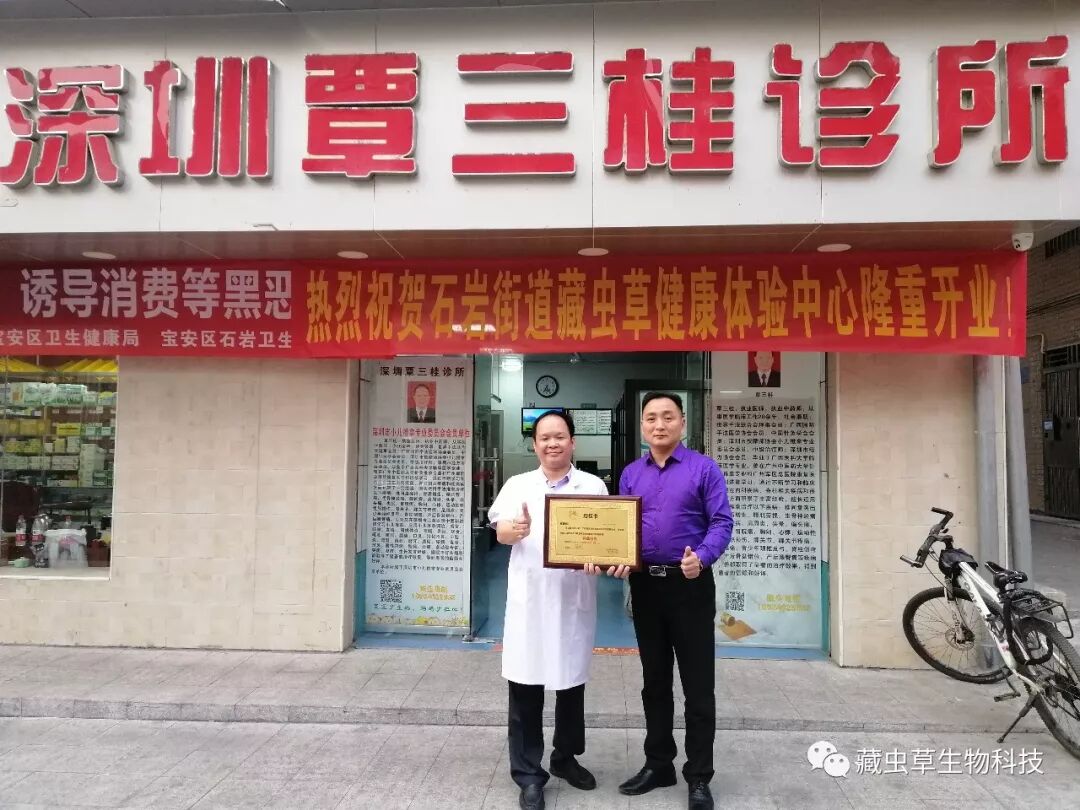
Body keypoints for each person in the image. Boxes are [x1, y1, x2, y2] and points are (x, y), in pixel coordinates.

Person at [488, 409, 621, 810]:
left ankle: (566, 758)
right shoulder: (517, 485)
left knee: (570, 685)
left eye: (559, 436)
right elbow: (500, 529)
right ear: (534, 445)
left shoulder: (593, 486)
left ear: (572, 442)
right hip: (530, 602)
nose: (552, 443)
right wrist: (513, 531)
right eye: (544, 437)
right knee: (525, 687)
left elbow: (606, 537)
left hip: (572, 600)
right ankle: (529, 774)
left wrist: (605, 558)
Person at [616, 392, 734, 810]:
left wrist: (702, 557)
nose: (659, 424)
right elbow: (622, 528)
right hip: (646, 586)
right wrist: (618, 558)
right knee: (654, 682)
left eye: (668, 416)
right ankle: (658, 764)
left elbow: (722, 521)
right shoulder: (631, 474)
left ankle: (699, 776)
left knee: (698, 687)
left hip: (690, 587)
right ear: (642, 426)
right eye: (651, 418)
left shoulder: (704, 469)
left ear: (682, 422)